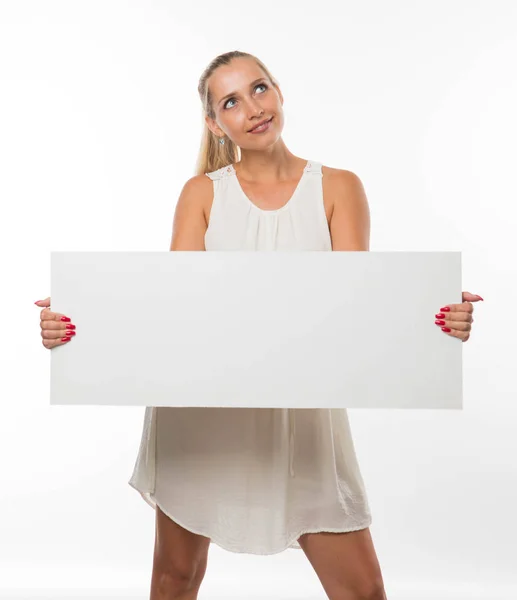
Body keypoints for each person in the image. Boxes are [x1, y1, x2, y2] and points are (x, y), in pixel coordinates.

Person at [35, 50, 483, 600]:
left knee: (362, 591)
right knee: (175, 579)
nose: (252, 108)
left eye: (259, 88)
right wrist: (82, 316)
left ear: (279, 92)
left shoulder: (339, 187)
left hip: (300, 423)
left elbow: (358, 312)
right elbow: (170, 310)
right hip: (202, 419)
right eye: (230, 101)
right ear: (214, 123)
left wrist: (429, 316)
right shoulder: (201, 195)